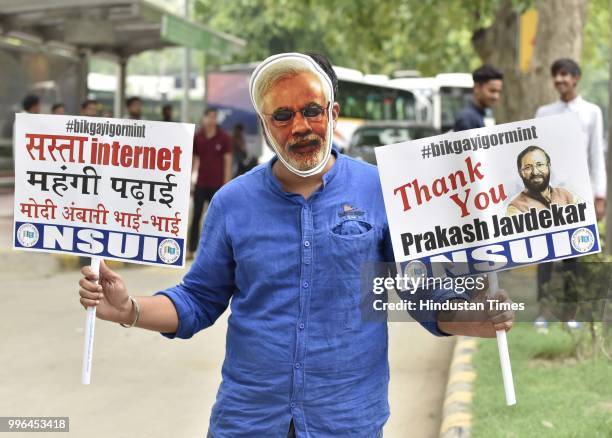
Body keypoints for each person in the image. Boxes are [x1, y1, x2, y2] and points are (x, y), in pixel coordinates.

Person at [77, 52, 514, 437]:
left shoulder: (381, 190)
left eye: (311, 110)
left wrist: (475, 316)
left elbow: (418, 294)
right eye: (282, 116)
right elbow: (198, 300)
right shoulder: (232, 203)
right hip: (248, 421)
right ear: (265, 126)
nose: (300, 126)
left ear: (333, 113)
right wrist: (128, 308)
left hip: (346, 421)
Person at [535, 58, 606, 220]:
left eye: (563, 74)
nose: (558, 79)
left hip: (582, 189)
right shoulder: (544, 113)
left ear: (576, 78)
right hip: (550, 191)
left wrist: (599, 195)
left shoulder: (591, 112)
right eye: (555, 75)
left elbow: (596, 154)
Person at [187, 108, 232, 259]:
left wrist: (226, 184)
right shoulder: (198, 137)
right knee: (196, 217)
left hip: (218, 185)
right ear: (204, 118)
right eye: (209, 117)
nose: (212, 120)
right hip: (201, 183)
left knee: (217, 220)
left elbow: (227, 161)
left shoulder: (224, 137)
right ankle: (191, 250)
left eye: (214, 117)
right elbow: (194, 159)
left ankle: (216, 252)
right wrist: (188, 181)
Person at [506, 146, 579, 215]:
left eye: (540, 165)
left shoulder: (567, 195)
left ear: (549, 166)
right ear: (520, 173)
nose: (535, 172)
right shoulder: (515, 208)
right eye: (528, 167)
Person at [453, 65, 503, 131]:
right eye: (492, 91)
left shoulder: (480, 115)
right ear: (477, 88)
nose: (496, 96)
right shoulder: (467, 118)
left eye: (498, 92)